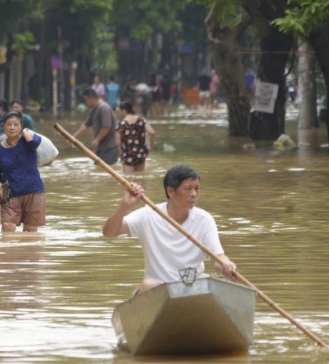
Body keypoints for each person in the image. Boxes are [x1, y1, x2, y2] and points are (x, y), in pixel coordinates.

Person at [102, 165, 237, 295]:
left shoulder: (204, 219)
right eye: (188, 188)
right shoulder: (148, 214)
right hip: (159, 289)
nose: (194, 194)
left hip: (192, 287)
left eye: (197, 189)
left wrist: (226, 264)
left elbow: (217, 257)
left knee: (210, 282)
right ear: (170, 191)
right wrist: (124, 206)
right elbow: (109, 232)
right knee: (148, 286)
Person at [0, 111, 46, 233]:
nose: (12, 127)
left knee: (30, 231)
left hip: (33, 191)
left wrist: (25, 132)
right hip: (8, 192)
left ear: (21, 126)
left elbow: (36, 143)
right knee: (7, 227)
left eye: (16, 124)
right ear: (3, 126)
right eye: (9, 124)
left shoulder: (28, 141)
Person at [72, 88, 119, 165]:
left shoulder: (103, 108)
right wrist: (74, 136)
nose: (86, 103)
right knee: (99, 169)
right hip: (101, 148)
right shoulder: (94, 110)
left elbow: (106, 127)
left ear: (91, 98)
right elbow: (86, 124)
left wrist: (97, 140)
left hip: (109, 149)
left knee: (105, 172)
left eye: (86, 100)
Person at [116, 101, 156, 174]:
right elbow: (152, 133)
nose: (119, 113)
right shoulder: (141, 120)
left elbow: (117, 143)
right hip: (140, 153)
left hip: (127, 154)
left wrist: (120, 153)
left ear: (124, 110)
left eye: (120, 111)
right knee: (139, 178)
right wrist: (151, 147)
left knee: (129, 179)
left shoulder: (121, 124)